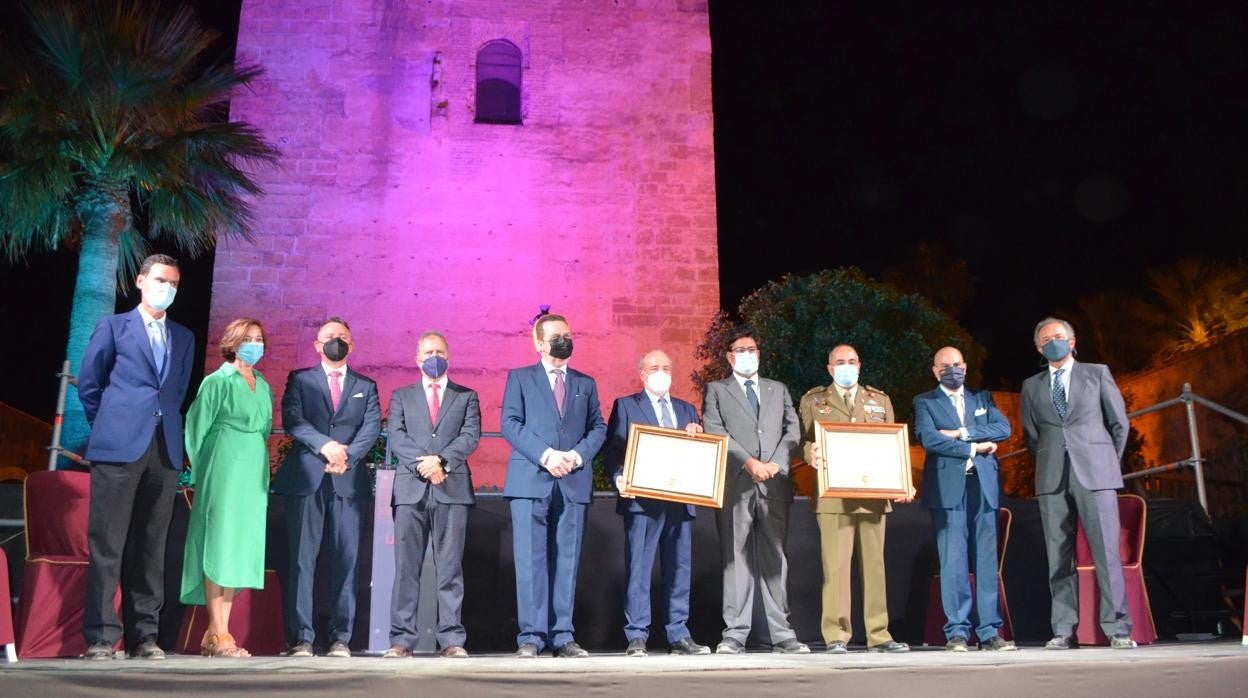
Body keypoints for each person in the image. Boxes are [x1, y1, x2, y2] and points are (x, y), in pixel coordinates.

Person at [79, 254, 194, 660]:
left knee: (150, 545)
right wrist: (112, 426)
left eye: (175, 284)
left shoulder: (183, 336)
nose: (169, 288)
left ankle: (145, 635)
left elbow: (176, 393)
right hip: (118, 449)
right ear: (140, 281)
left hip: (163, 452)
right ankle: (100, 636)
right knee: (108, 543)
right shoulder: (113, 327)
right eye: (161, 279)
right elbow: (90, 386)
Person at [1021, 317, 1136, 649]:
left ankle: (1118, 628)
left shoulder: (1097, 373)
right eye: (1046, 339)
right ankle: (1063, 629)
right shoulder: (1031, 386)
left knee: (1106, 552)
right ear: (1039, 348)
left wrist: (1105, 461)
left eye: (1058, 336)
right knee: (1058, 556)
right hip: (1052, 476)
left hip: (1096, 474)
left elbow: (1119, 424)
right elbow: (1031, 435)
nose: (1052, 342)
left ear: (1072, 342)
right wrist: (1050, 458)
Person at [501, 311, 606, 658]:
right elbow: (510, 424)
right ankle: (531, 636)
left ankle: (563, 635)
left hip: (573, 481)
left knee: (568, 560)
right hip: (531, 479)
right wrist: (546, 455)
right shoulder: (520, 378)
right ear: (539, 343)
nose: (565, 339)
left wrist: (575, 457)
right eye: (557, 334)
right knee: (530, 560)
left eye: (569, 333)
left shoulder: (585, 383)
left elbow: (598, 428)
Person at [275, 317, 382, 658]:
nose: (336, 341)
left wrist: (347, 456)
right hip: (307, 479)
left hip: (348, 481)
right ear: (317, 345)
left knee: (347, 561)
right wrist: (326, 445)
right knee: (301, 561)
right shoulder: (300, 379)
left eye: (343, 337)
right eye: (330, 337)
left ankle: (341, 637)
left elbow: (371, 426)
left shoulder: (367, 384)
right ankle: (301, 638)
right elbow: (293, 420)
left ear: (352, 344)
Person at [702, 332, 808, 655]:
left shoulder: (779, 389)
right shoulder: (717, 390)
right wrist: (748, 462)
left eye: (752, 349)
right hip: (737, 484)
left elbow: (793, 430)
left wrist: (775, 463)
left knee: (776, 559)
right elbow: (714, 429)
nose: (747, 354)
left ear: (758, 354)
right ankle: (735, 634)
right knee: (736, 559)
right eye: (740, 350)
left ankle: (783, 634)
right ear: (730, 357)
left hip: (774, 483)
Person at [799, 344, 910, 653]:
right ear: (830, 368)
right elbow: (802, 441)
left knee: (875, 567)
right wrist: (810, 453)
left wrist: (903, 481)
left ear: (859, 365)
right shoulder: (813, 400)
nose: (846, 366)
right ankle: (836, 635)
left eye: (851, 361)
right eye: (839, 362)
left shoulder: (880, 400)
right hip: (834, 497)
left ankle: (879, 634)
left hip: (874, 495)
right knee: (835, 568)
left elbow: (893, 445)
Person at [605, 349, 711, 657]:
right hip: (642, 503)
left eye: (666, 367)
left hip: (680, 501)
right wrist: (619, 478)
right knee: (639, 568)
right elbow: (613, 452)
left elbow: (701, 454)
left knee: (679, 569)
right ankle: (637, 634)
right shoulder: (626, 406)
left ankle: (678, 633)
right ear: (642, 374)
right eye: (655, 367)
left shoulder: (688, 410)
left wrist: (698, 435)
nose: (661, 372)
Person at [383, 331, 481, 659]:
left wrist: (442, 461)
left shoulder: (466, 396)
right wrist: (424, 464)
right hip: (411, 491)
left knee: (450, 568)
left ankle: (452, 640)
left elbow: (469, 436)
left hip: (452, 491)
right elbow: (396, 436)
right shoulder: (401, 396)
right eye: (428, 351)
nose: (433, 356)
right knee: (406, 568)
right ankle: (401, 640)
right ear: (417, 358)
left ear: (449, 356)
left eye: (439, 351)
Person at [181, 318, 274, 658]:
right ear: (232, 343)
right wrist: (200, 473)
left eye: (259, 338)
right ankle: (220, 633)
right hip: (222, 466)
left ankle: (215, 632)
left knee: (237, 548)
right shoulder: (216, 381)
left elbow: (264, 430)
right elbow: (195, 428)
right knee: (218, 543)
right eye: (247, 338)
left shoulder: (263, 385)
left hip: (252, 471)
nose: (254, 343)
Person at [913, 346, 1015, 652]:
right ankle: (957, 631)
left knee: (986, 561)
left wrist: (959, 433)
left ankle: (989, 632)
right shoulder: (925, 401)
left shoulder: (982, 398)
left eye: (956, 364)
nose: (952, 370)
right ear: (935, 371)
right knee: (953, 561)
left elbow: (1003, 428)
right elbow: (929, 438)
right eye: (945, 366)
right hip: (947, 489)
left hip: (983, 487)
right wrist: (974, 447)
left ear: (966, 367)